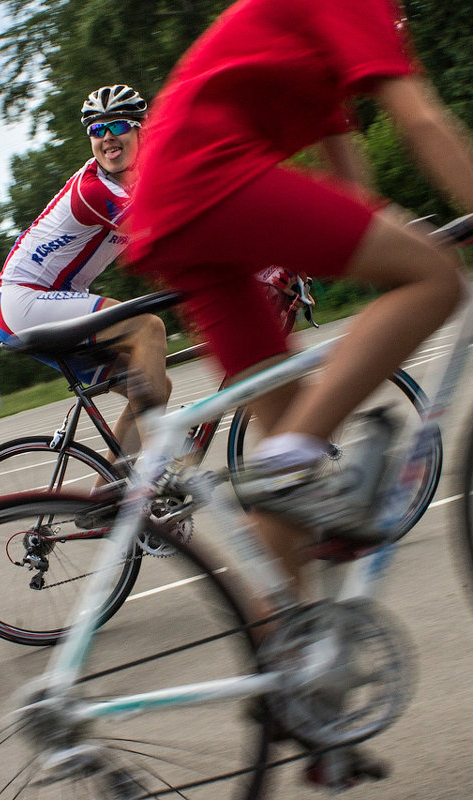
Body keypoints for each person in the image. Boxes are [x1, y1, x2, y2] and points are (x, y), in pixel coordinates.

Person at [126, 0, 473, 786]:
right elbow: (419, 120)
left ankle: (298, 700)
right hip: (205, 180)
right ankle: (287, 456)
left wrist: (399, 238)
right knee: (436, 281)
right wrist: (419, 253)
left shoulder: (323, 49)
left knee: (288, 498)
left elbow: (352, 186)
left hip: (178, 204)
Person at [0, 84, 172, 461]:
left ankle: (107, 503)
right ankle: (162, 472)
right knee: (148, 328)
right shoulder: (96, 192)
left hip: (50, 300)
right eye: (96, 130)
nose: (107, 138)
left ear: (142, 129)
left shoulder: (139, 179)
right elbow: (168, 239)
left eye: (117, 126)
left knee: (153, 386)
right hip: (25, 301)